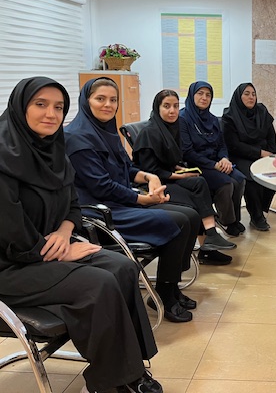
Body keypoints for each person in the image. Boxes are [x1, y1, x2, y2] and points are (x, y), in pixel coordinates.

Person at [0, 77, 162, 393]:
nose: (51, 114)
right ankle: (108, 382)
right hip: (12, 265)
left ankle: (132, 367)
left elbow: (73, 205)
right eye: (40, 104)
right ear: (21, 107)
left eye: (59, 107)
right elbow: (11, 231)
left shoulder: (53, 149)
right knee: (98, 283)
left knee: (123, 267)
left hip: (50, 248)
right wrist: (60, 250)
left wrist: (65, 232)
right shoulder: (4, 158)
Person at [66, 77, 198, 323]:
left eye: (113, 99)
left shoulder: (106, 131)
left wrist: (149, 177)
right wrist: (142, 199)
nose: (108, 105)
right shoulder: (77, 138)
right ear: (86, 101)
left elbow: (127, 168)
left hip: (119, 201)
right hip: (100, 212)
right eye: (100, 99)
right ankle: (165, 295)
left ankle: (171, 286)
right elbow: (101, 186)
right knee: (178, 222)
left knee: (190, 215)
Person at [132, 89, 237, 266]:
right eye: (166, 106)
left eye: (175, 106)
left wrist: (180, 169)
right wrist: (180, 175)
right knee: (195, 194)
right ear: (157, 108)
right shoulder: (149, 133)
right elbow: (150, 170)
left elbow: (168, 160)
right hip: (153, 185)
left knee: (199, 182)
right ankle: (208, 245)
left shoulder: (172, 128)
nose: (172, 111)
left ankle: (209, 241)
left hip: (167, 177)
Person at [180, 81, 247, 238]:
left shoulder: (212, 119)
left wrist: (224, 159)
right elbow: (187, 152)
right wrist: (214, 165)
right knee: (226, 184)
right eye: (200, 94)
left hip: (216, 163)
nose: (204, 98)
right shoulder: (183, 119)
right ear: (192, 95)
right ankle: (227, 221)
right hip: (196, 165)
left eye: (208, 95)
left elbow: (221, 144)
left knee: (240, 179)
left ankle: (235, 219)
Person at [222, 83, 276, 231]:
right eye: (246, 94)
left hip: (264, 154)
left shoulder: (262, 111)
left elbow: (271, 136)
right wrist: (259, 153)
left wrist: (271, 153)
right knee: (252, 177)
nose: (251, 97)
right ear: (239, 96)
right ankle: (256, 215)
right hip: (240, 156)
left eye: (253, 94)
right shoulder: (230, 116)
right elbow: (233, 145)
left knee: (275, 173)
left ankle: (261, 208)